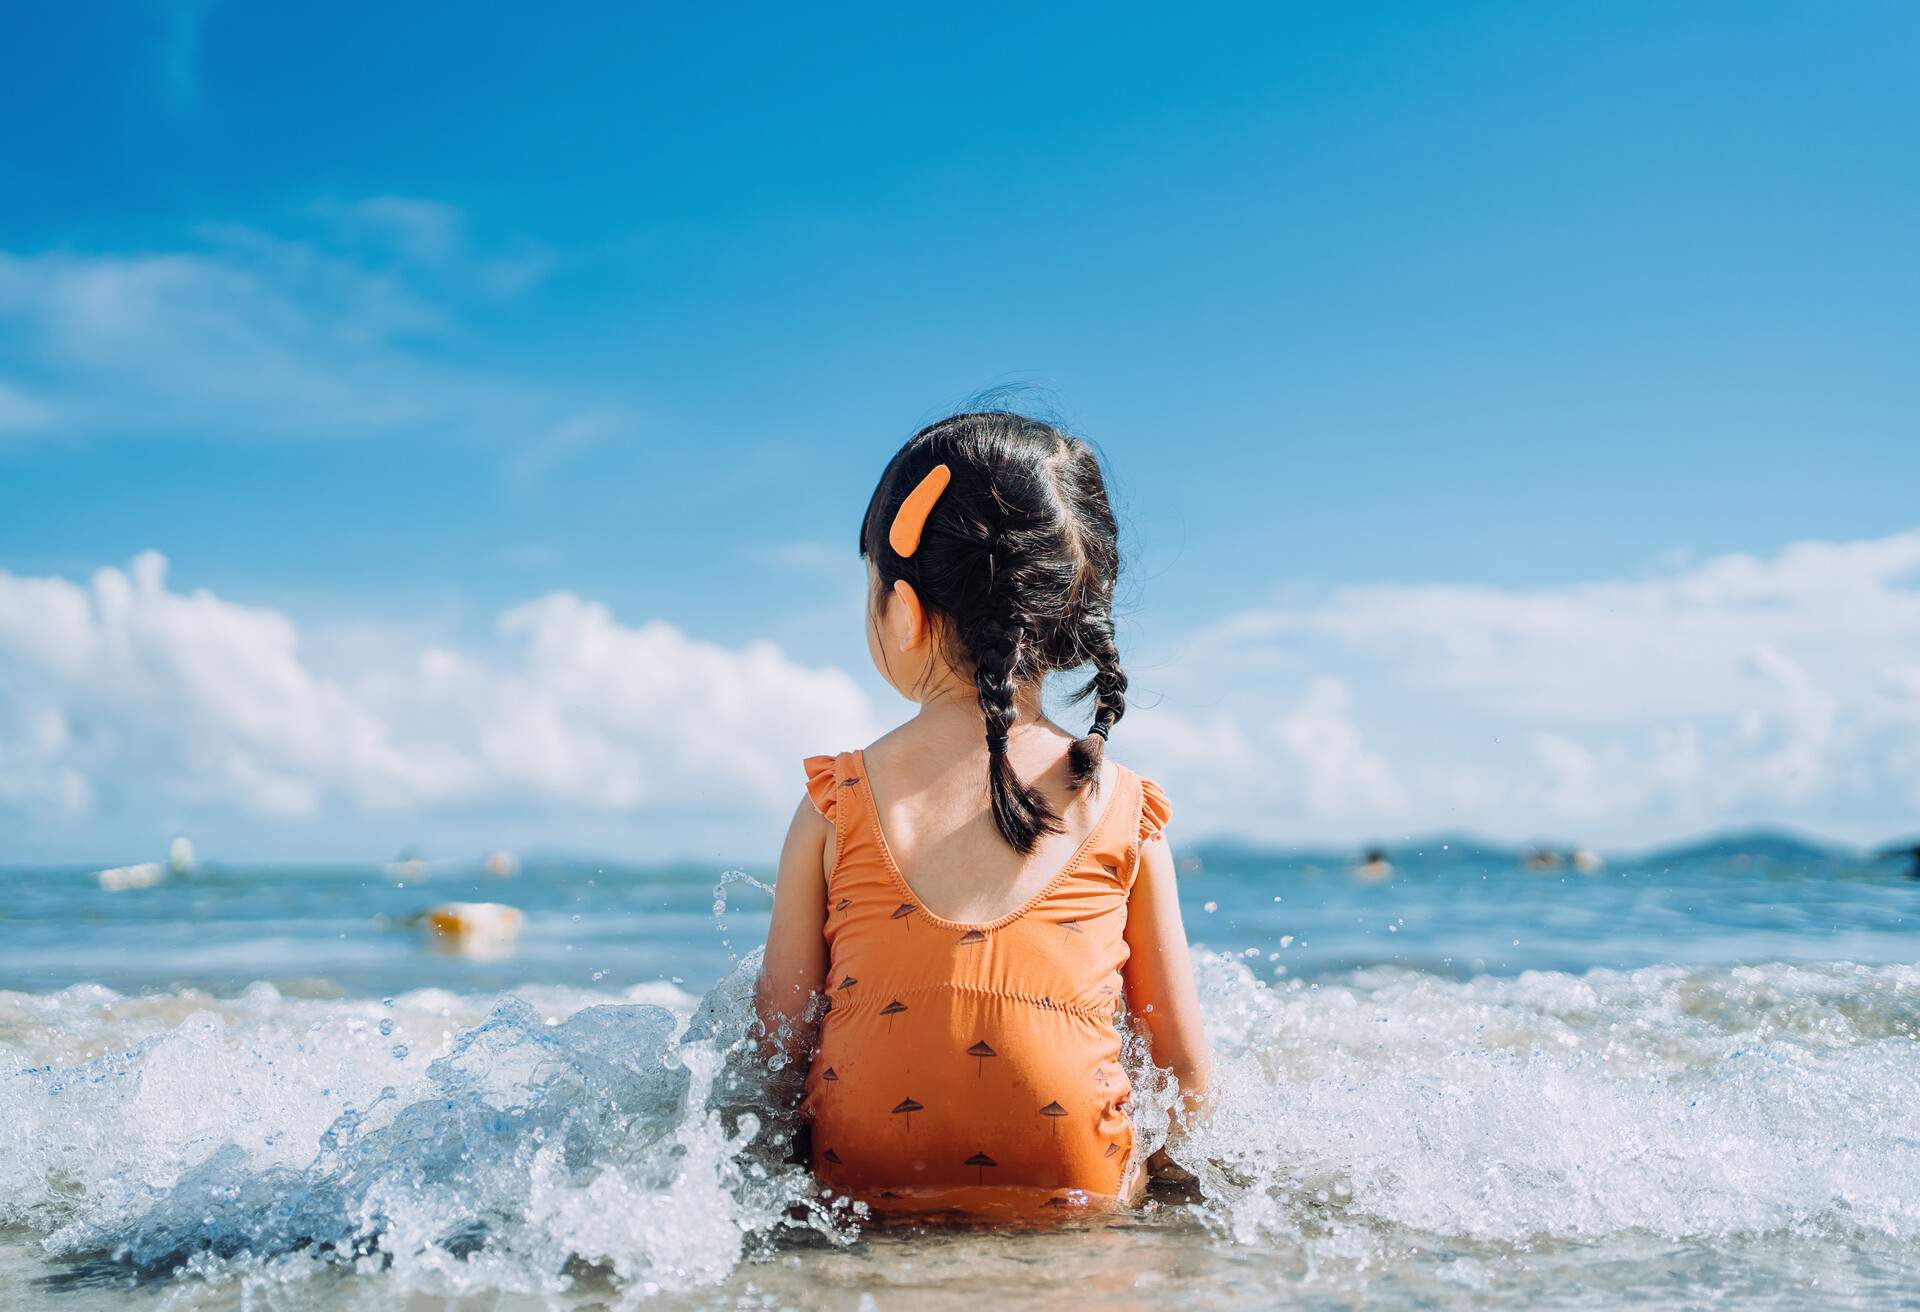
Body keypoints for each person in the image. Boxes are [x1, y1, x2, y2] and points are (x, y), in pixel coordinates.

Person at [754, 411, 1211, 1220]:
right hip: (1079, 1182)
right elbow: (1184, 1073)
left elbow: (776, 1048)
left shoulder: (836, 799)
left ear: (902, 608)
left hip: (860, 1180)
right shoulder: (1124, 807)